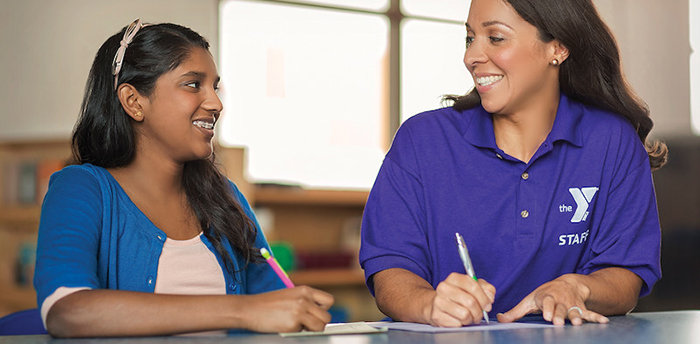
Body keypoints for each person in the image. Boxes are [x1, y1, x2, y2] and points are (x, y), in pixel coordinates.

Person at [359, 0, 667, 328]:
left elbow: (627, 276)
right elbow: (389, 269)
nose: (471, 56)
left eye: (496, 38)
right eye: (469, 38)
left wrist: (577, 287)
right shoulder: (421, 140)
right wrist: (427, 304)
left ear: (558, 48)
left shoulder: (612, 141)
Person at [33, 19, 333, 337]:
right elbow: (66, 310)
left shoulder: (225, 197)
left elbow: (275, 303)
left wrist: (300, 310)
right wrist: (242, 311)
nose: (216, 104)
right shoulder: (81, 189)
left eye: (214, 87)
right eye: (193, 84)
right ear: (134, 102)